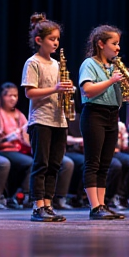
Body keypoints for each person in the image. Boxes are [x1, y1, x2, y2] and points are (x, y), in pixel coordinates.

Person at [21, 12, 73, 222]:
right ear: (39, 40)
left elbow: (57, 88)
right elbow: (30, 93)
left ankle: (48, 205)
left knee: (54, 164)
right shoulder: (33, 63)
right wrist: (55, 89)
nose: (56, 42)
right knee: (41, 163)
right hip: (41, 120)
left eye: (57, 39)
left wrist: (67, 90)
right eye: (52, 39)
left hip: (58, 120)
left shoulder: (57, 64)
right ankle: (37, 206)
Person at [79, 24, 125, 220]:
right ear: (100, 44)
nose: (118, 48)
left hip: (111, 115)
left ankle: (102, 204)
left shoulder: (113, 66)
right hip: (94, 114)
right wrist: (112, 81)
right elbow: (87, 90)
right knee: (93, 162)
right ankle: (94, 206)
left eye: (118, 44)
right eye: (114, 43)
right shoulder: (89, 64)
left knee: (106, 163)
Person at [0, 82, 33, 209]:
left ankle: (19, 195)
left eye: (15, 95)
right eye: (9, 96)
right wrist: (11, 136)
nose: (13, 99)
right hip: (4, 149)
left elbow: (26, 136)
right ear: (2, 97)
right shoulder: (1, 113)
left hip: (17, 151)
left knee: (36, 161)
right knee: (27, 162)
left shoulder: (19, 114)